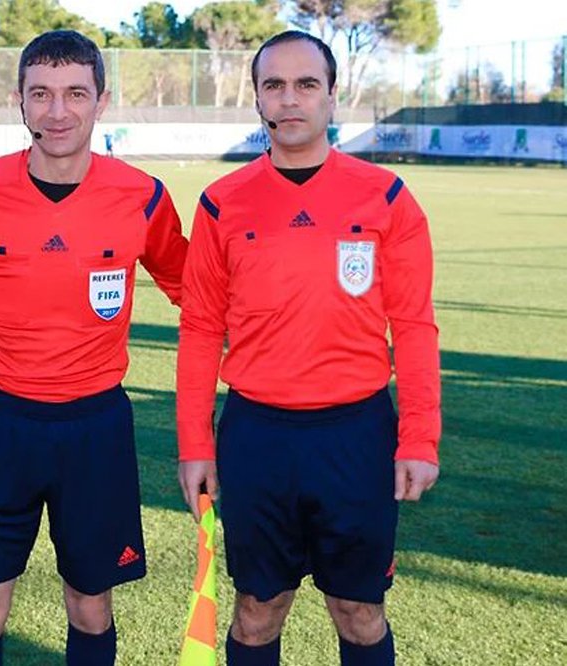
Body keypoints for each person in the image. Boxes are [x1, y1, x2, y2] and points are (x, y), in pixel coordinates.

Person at [0, 29, 189, 666]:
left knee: (90, 604)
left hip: (95, 426)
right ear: (19, 101)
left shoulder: (143, 196)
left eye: (75, 93)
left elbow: (192, 288)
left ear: (102, 101)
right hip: (1, 423)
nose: (57, 111)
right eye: (40, 94)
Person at [176, 30, 440, 666]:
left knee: (359, 612)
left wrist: (419, 438)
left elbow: (413, 325)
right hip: (257, 435)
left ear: (331, 95)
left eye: (305, 84)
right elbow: (201, 328)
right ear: (257, 98)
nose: (289, 98)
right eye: (274, 85)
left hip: (356, 435)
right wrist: (195, 444)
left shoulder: (387, 197)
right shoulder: (221, 203)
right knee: (256, 610)